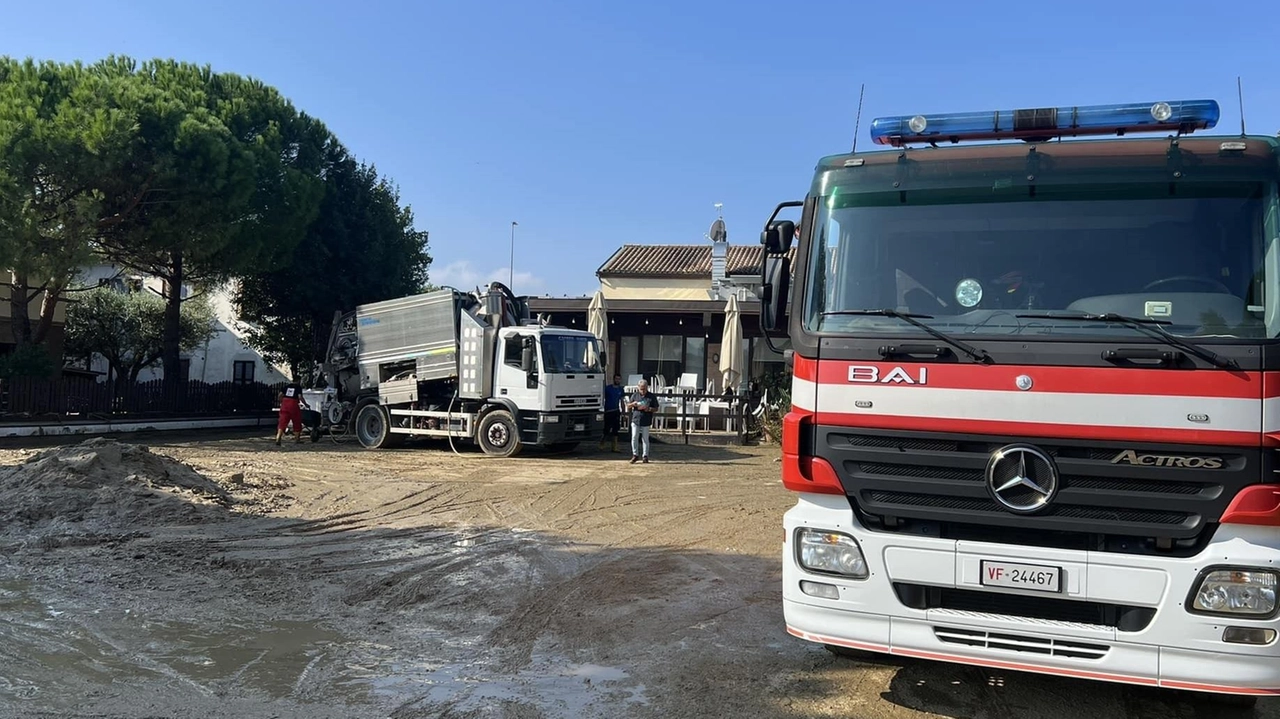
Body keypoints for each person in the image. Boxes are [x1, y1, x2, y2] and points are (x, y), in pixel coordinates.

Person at [627, 379, 658, 464]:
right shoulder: (635, 395)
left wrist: (649, 409)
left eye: (644, 389)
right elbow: (628, 405)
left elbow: (656, 408)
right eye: (641, 389)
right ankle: (635, 454)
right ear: (638, 388)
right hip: (636, 419)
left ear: (647, 388)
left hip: (646, 419)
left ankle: (645, 456)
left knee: (645, 439)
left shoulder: (651, 396)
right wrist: (633, 404)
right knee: (634, 437)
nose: (643, 391)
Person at [275, 379, 309, 446]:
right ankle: (297, 439)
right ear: (298, 381)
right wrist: (305, 404)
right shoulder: (298, 387)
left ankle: (278, 437)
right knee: (296, 420)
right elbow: (300, 397)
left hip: (285, 404)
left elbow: (280, 395)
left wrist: (281, 401)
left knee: (282, 421)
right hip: (293, 404)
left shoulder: (286, 386)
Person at [599, 374, 625, 452]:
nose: (617, 380)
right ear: (614, 379)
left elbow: (622, 401)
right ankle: (602, 442)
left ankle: (614, 446)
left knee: (616, 429)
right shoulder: (608, 388)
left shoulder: (621, 389)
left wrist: (623, 411)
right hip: (608, 411)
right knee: (607, 429)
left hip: (616, 410)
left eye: (619, 379)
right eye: (616, 379)